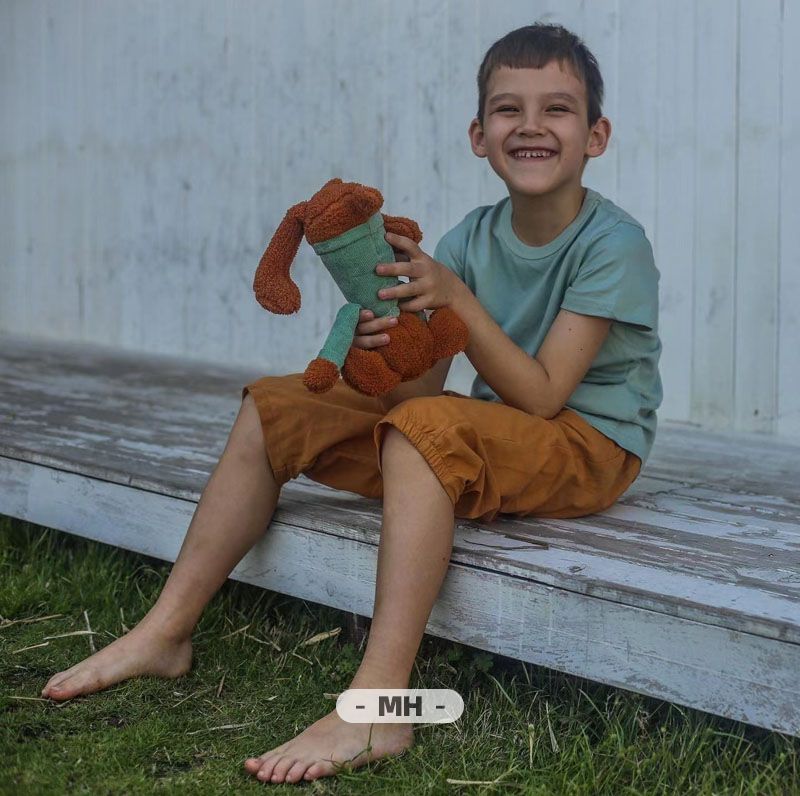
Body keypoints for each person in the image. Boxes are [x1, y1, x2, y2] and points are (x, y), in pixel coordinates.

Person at [40, 21, 663, 785]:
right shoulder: (468, 240)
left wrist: (455, 300)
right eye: (509, 109)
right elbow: (416, 397)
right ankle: (165, 632)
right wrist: (384, 346)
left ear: (596, 135)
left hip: (589, 447)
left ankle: (378, 708)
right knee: (279, 404)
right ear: (478, 136)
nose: (531, 125)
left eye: (557, 109)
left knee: (425, 431)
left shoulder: (613, 243)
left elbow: (542, 395)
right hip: (501, 432)